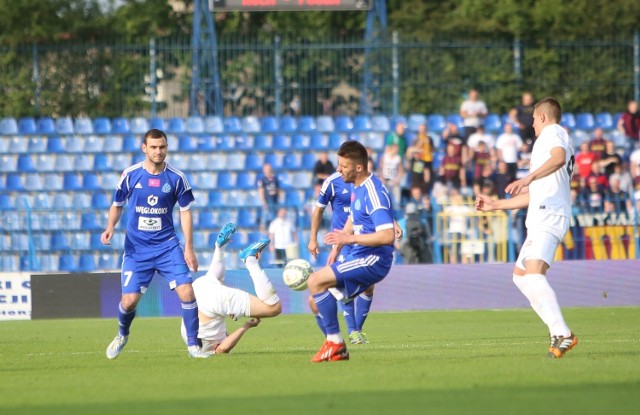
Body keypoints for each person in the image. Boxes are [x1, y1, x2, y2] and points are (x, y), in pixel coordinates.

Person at [475, 97, 578, 358]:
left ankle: (563, 333)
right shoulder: (546, 145)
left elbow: (559, 157)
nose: (531, 123)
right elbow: (534, 194)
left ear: (542, 117)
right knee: (520, 276)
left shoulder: (553, 133)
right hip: (542, 213)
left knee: (533, 275)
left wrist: (528, 176)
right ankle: (558, 333)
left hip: (550, 214)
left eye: (533, 118)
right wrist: (496, 204)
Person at [101, 128, 209, 359]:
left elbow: (186, 212)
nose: (158, 151)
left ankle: (194, 346)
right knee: (128, 302)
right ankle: (122, 334)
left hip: (167, 247)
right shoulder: (131, 175)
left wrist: (189, 246)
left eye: (162, 147)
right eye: (153, 147)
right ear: (144, 148)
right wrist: (110, 227)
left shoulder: (177, 178)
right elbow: (117, 204)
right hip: (137, 250)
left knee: (187, 292)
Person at [307, 140, 395, 362]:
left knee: (315, 281)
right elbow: (353, 218)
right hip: (358, 254)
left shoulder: (373, 191)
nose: (338, 169)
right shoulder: (358, 188)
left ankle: (336, 344)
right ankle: (337, 345)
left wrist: (350, 238)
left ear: (358, 167)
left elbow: (387, 235)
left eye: (343, 166)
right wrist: (338, 247)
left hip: (374, 259)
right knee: (314, 300)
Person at [180, 223, 281, 354]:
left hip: (213, 303)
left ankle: (250, 260)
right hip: (197, 291)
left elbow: (222, 349)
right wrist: (227, 311)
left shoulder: (208, 349)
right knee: (214, 279)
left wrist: (246, 326)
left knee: (274, 308)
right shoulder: (190, 339)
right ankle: (219, 247)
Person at [258, 162, 280, 229]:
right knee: (264, 218)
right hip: (267, 202)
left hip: (274, 202)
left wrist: (277, 199)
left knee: (274, 218)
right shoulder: (263, 180)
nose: (268, 170)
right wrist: (264, 201)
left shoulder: (275, 179)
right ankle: (263, 232)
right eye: (266, 169)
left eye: (269, 169)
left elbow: (278, 190)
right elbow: (261, 190)